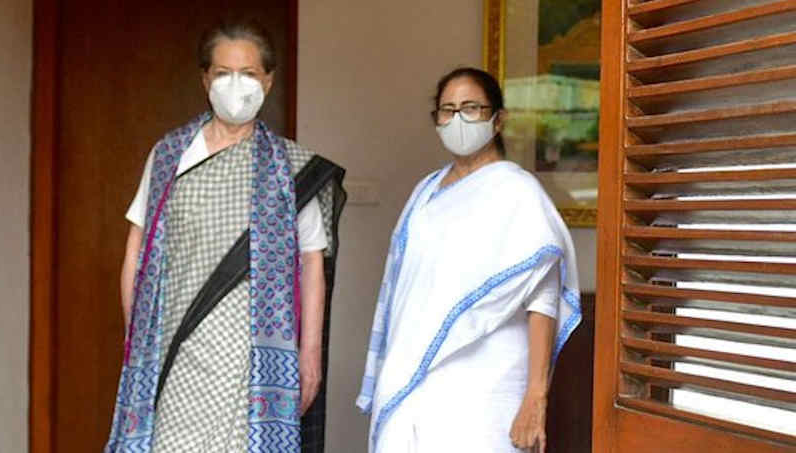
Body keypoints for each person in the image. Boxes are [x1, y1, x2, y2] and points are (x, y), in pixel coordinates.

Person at [106, 20, 344, 453]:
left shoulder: (293, 169)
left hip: (250, 362)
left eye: (249, 73)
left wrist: (308, 357)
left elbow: (312, 263)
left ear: (268, 82)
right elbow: (135, 250)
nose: (236, 85)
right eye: (223, 73)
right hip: (176, 349)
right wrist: (136, 337)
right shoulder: (168, 155)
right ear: (205, 79)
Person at [357, 67, 581, 453]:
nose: (458, 118)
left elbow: (543, 299)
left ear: (498, 119)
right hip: (416, 374)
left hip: (488, 377)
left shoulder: (517, 191)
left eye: (471, 108)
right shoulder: (425, 191)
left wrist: (535, 396)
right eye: (448, 110)